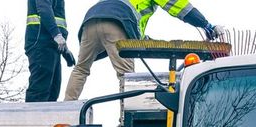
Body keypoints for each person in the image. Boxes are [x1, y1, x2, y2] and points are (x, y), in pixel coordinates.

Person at [65, 0, 221, 101]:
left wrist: (153, 42)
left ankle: (67, 107)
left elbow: (135, 32)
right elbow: (178, 6)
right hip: (117, 21)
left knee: (81, 69)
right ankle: (126, 118)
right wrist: (206, 25)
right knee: (126, 76)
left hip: (91, 19)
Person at [25, 0, 69, 102]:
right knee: (40, 91)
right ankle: (33, 117)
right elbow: (44, 8)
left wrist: (65, 49)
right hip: (41, 42)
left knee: (53, 90)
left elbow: (58, 20)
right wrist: (56, 34)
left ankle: (45, 118)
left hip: (53, 46)